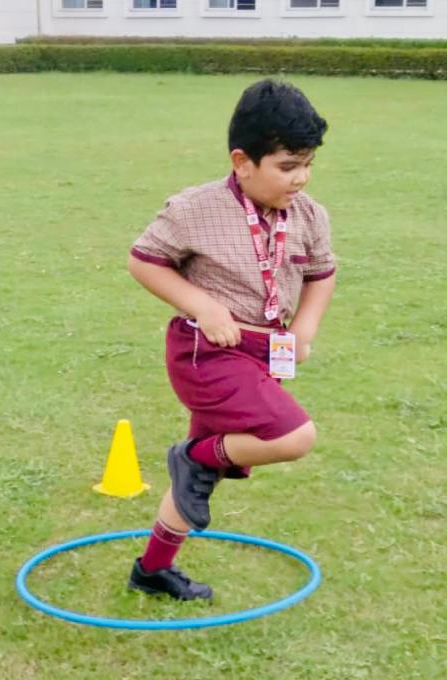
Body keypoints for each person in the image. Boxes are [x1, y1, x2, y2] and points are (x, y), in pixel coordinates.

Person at [126, 78, 336, 601]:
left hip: (265, 352)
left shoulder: (309, 215)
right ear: (242, 162)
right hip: (208, 352)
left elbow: (322, 274)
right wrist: (202, 304)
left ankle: (152, 570)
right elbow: (143, 262)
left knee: (200, 481)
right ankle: (196, 454)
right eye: (287, 166)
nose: (301, 178)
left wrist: (305, 329)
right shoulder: (195, 209)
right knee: (294, 436)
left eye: (307, 163)